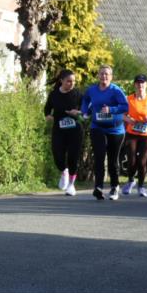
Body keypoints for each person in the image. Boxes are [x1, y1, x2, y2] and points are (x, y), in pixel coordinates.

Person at [80, 65, 128, 200]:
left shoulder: (116, 91)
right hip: (97, 127)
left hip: (115, 130)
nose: (104, 77)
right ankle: (98, 187)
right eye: (101, 74)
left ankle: (114, 187)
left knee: (113, 160)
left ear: (111, 77)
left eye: (107, 74)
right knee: (99, 157)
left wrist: (111, 110)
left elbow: (125, 106)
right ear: (98, 76)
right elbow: (85, 100)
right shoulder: (92, 90)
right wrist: (85, 111)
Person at [44, 69, 83, 197]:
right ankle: (64, 171)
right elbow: (47, 109)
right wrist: (48, 116)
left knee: (73, 157)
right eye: (69, 81)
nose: (71, 84)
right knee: (57, 155)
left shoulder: (77, 94)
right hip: (59, 130)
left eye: (73, 82)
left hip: (75, 130)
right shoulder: (54, 94)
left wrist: (78, 113)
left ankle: (71, 185)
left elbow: (85, 110)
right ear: (61, 81)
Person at [122, 74, 147, 198]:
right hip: (132, 133)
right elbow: (123, 115)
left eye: (142, 83)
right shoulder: (129, 99)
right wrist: (128, 120)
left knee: (142, 161)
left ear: (146, 85)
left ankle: (141, 186)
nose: (140, 85)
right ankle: (131, 180)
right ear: (135, 85)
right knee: (131, 159)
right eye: (138, 83)